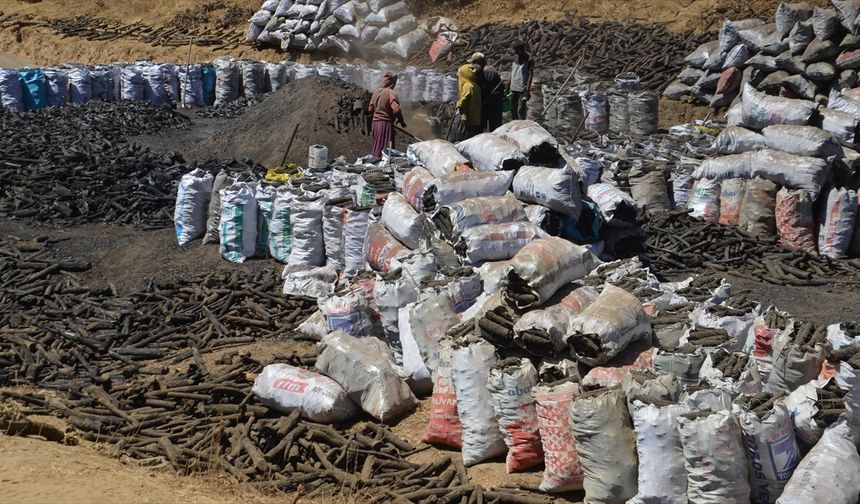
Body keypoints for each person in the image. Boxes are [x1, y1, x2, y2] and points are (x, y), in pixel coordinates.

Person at [368, 70, 406, 158]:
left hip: (375, 124)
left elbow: (370, 109)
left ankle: (375, 162)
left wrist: (378, 112)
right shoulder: (390, 93)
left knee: (377, 145)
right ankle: (382, 166)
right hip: (385, 124)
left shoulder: (375, 92)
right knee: (386, 148)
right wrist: (401, 121)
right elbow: (396, 110)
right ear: (393, 82)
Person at [469, 52, 505, 132]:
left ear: (480, 63)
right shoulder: (490, 73)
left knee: (488, 129)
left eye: (474, 62)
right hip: (485, 107)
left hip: (489, 107)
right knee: (491, 129)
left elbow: (500, 90)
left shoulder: (489, 74)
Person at [456, 63, 482, 140]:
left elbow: (463, 101)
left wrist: (457, 105)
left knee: (464, 137)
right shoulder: (476, 86)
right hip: (475, 118)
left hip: (467, 118)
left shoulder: (467, 86)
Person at [509, 41, 534, 121]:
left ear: (521, 49)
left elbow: (530, 75)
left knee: (521, 109)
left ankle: (521, 125)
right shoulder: (515, 57)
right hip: (513, 87)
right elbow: (513, 71)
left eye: (517, 50)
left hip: (522, 89)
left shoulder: (529, 59)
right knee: (512, 108)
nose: (515, 52)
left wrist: (527, 90)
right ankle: (514, 124)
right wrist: (509, 84)